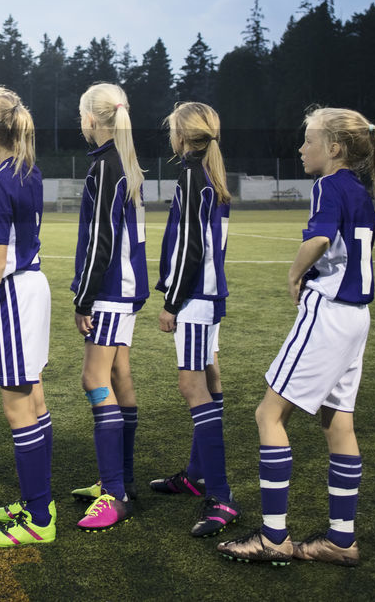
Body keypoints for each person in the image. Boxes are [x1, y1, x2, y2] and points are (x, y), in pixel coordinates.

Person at [217, 106, 375, 567]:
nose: (301, 147)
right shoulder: (359, 190)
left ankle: (273, 538)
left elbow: (321, 238)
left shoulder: (328, 185)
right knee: (337, 422)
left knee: (269, 414)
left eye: (308, 140)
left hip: (327, 315)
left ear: (335, 148)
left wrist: (294, 272)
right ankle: (340, 541)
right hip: (356, 318)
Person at [0, 87, 57, 548]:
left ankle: (38, 519)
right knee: (33, 398)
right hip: (33, 286)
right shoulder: (29, 170)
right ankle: (40, 503)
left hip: (15, 291)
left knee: (17, 404)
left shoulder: (3, 178)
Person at [152, 102, 238, 538]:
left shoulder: (190, 173)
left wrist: (171, 301)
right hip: (210, 294)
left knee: (192, 386)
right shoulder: (212, 171)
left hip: (195, 298)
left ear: (182, 135)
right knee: (208, 375)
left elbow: (190, 248)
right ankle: (196, 475)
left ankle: (221, 497)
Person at [68, 83, 148, 531]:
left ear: (92, 120)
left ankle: (114, 493)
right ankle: (123, 481)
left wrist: (84, 297)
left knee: (94, 378)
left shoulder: (105, 166)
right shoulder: (126, 162)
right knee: (119, 375)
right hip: (126, 289)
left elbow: (101, 240)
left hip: (110, 291)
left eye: (82, 113)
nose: (81, 120)